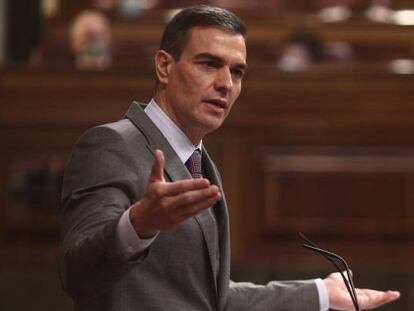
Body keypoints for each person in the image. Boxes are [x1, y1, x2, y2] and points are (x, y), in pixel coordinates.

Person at [59, 5, 400, 311]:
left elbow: (210, 299)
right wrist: (137, 225)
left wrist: (321, 294)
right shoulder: (111, 144)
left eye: (237, 72)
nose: (225, 83)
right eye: (209, 64)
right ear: (164, 66)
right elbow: (77, 275)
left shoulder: (199, 162)